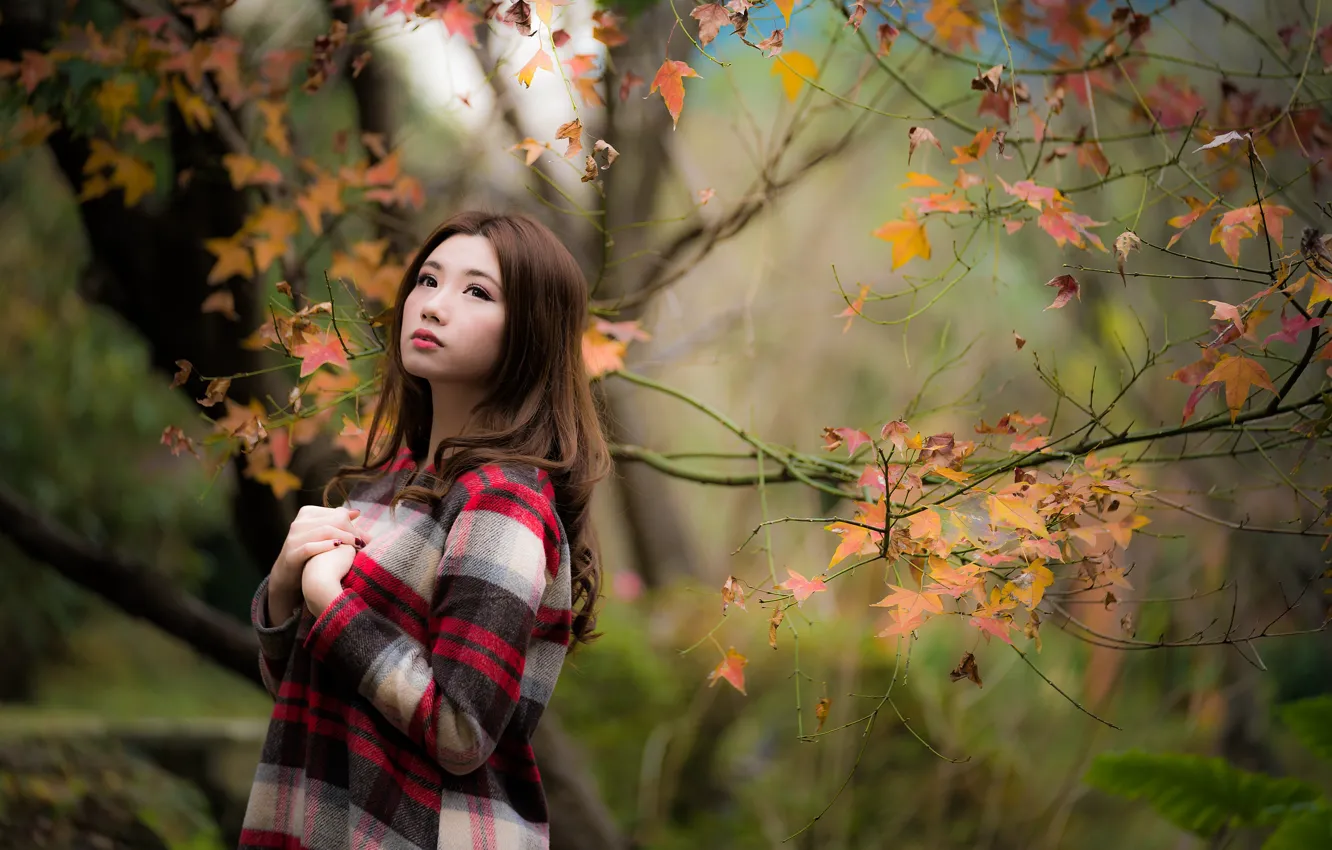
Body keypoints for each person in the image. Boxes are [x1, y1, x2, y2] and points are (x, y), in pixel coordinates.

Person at [239, 210, 611, 849]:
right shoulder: (395, 481)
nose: (434, 306)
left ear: (532, 332)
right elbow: (313, 683)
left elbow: (461, 731)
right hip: (323, 818)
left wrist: (331, 600)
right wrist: (283, 587)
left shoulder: (503, 505)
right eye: (428, 280)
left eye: (477, 292)